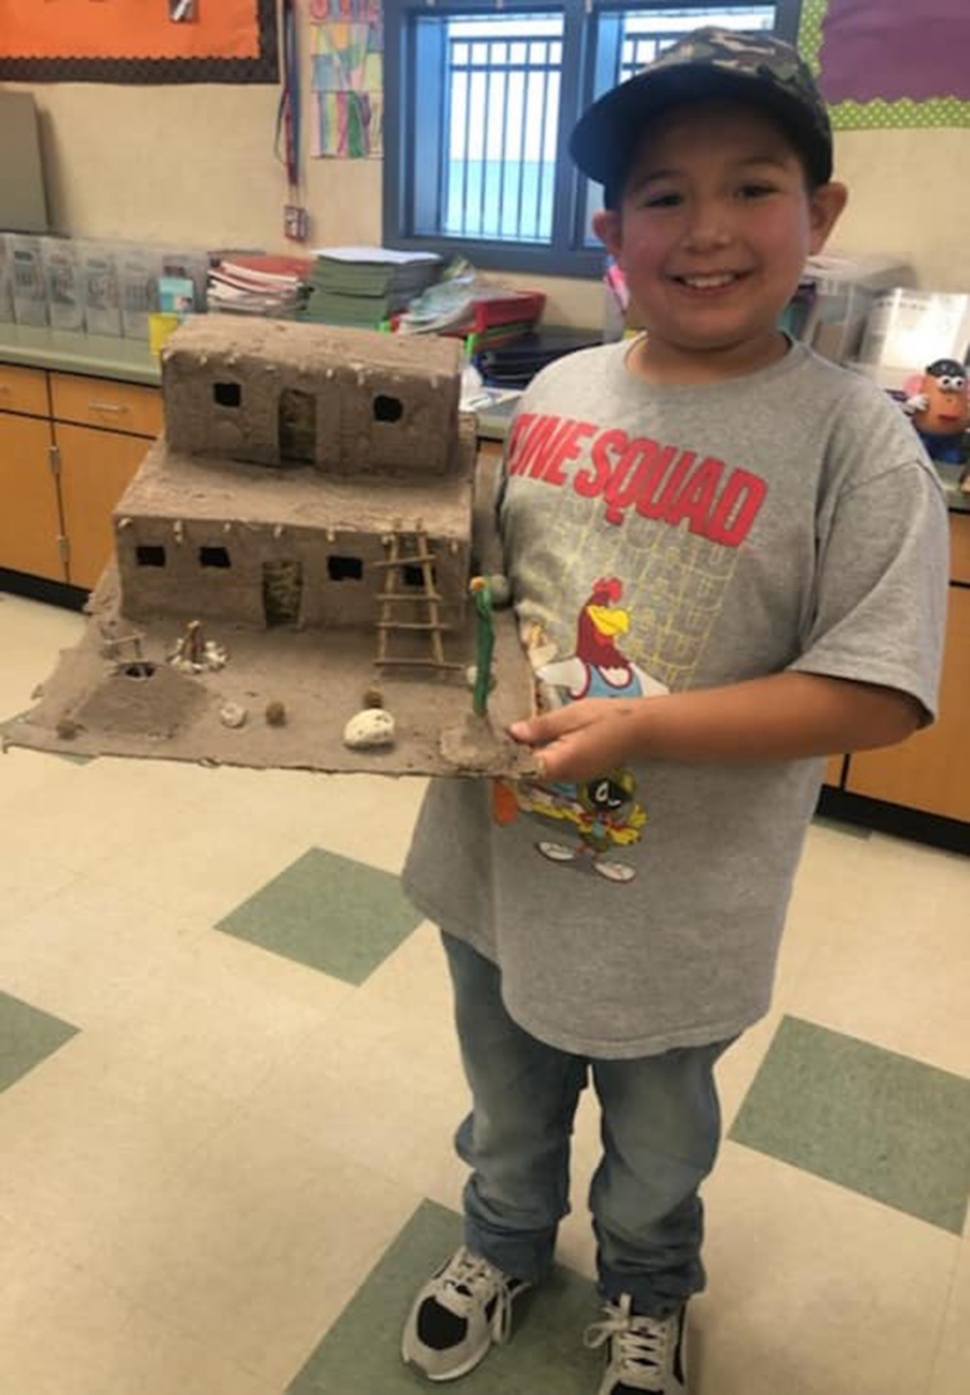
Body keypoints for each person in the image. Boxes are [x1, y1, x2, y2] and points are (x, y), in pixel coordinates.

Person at [399, 26, 949, 1395]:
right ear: (611, 231)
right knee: (508, 1100)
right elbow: (492, 588)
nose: (705, 230)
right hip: (498, 858)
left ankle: (648, 1291)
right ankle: (504, 1240)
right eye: (662, 195)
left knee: (656, 1139)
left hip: (678, 900)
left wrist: (642, 729)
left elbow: (875, 693)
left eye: (751, 186)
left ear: (816, 212)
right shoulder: (556, 391)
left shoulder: (852, 439)